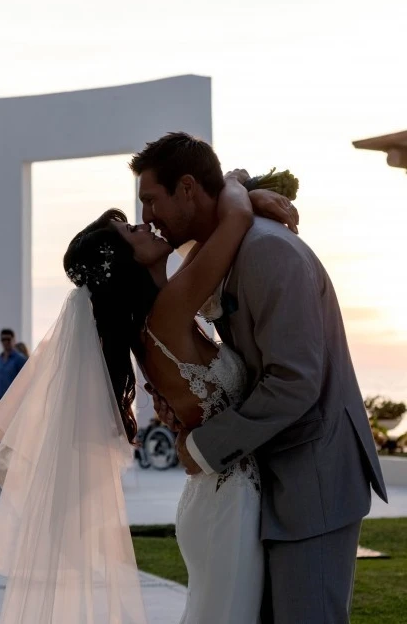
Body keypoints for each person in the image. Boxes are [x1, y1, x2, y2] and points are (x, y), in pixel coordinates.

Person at [132, 134, 385, 623]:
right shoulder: (222, 250)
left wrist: (203, 446)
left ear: (187, 188)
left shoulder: (269, 252)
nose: (147, 216)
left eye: (150, 200)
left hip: (312, 479)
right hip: (267, 483)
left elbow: (293, 381)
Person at [0, 329, 27, 410]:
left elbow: (25, 382)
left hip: (13, 403)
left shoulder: (20, 359)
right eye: (3, 340)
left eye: (8, 339)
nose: (5, 342)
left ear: (13, 340)